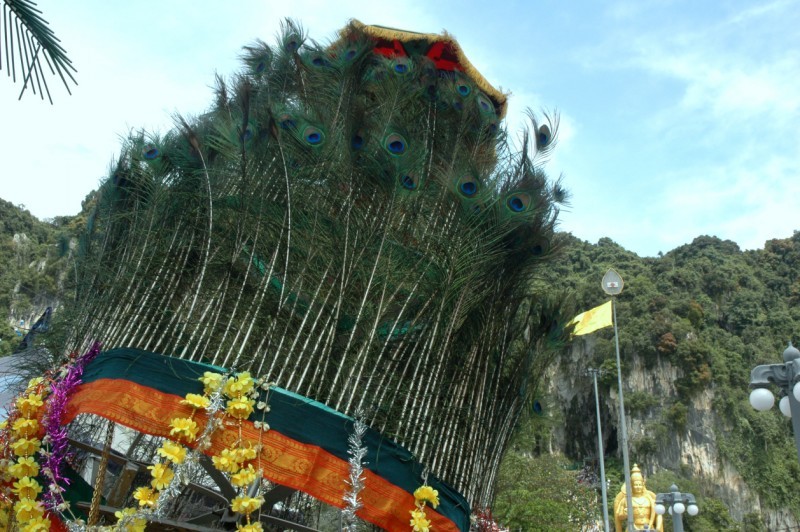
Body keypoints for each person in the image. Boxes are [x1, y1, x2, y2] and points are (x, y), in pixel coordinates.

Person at [613, 464, 663, 531]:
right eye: (636, 485)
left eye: (640, 485)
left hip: (649, 528)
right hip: (633, 528)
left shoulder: (650, 499)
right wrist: (625, 514)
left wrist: (658, 527)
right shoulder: (626, 500)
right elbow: (619, 516)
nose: (638, 487)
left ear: (643, 485)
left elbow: (659, 514)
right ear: (631, 485)